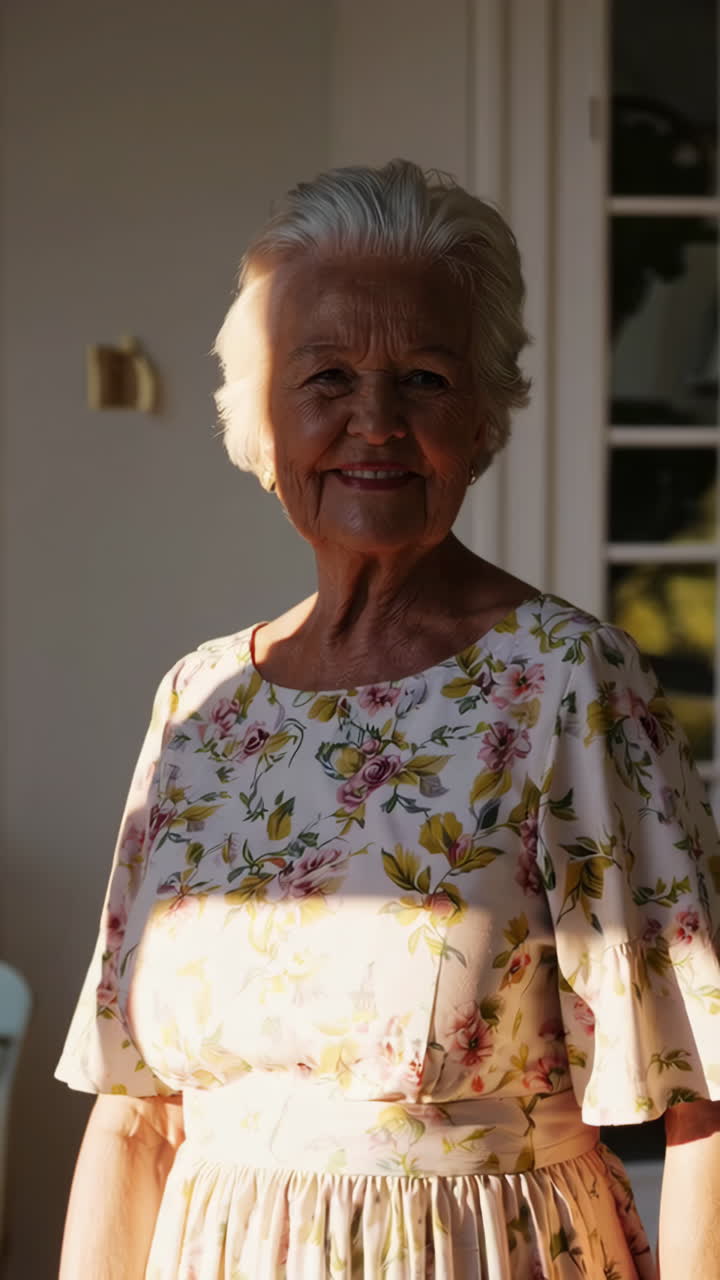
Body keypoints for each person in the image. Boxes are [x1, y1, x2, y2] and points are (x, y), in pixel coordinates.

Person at [57, 160, 720, 1279]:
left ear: (485, 412)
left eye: (422, 376)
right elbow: (136, 1111)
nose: (375, 421)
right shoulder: (200, 705)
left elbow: (704, 1098)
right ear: (262, 414)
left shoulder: (565, 680)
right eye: (326, 377)